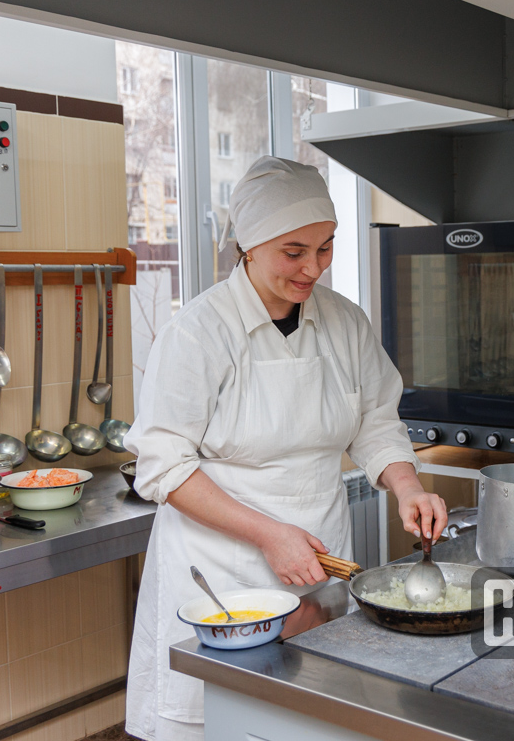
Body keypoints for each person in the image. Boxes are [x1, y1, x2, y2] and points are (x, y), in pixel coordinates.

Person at [124, 156, 447, 741]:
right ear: (249, 246)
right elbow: (163, 466)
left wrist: (408, 488)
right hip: (222, 573)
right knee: (226, 723)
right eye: (293, 252)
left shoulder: (344, 323)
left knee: (311, 721)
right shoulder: (198, 332)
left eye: (325, 248)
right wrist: (269, 535)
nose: (313, 268)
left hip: (320, 566)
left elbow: (375, 421)